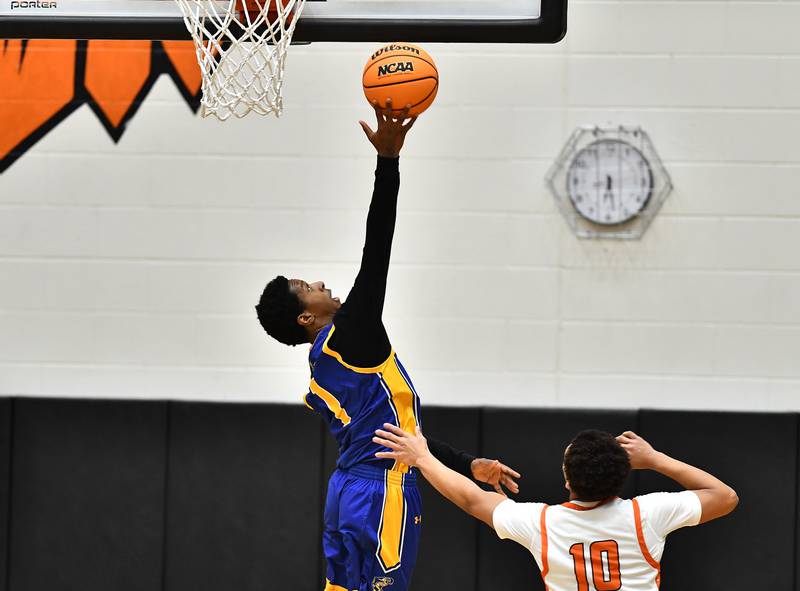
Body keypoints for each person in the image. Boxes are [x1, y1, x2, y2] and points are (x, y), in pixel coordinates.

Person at [254, 100, 521, 591]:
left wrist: (467, 464)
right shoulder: (352, 331)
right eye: (304, 285)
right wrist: (389, 161)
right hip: (382, 491)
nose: (316, 281)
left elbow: (396, 436)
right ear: (306, 316)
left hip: (349, 489)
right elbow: (377, 247)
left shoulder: (323, 366)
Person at [373, 424, 738, 591]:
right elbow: (725, 496)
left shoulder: (543, 523)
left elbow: (471, 498)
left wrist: (422, 457)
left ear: (567, 480)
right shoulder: (648, 515)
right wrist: (655, 459)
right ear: (624, 475)